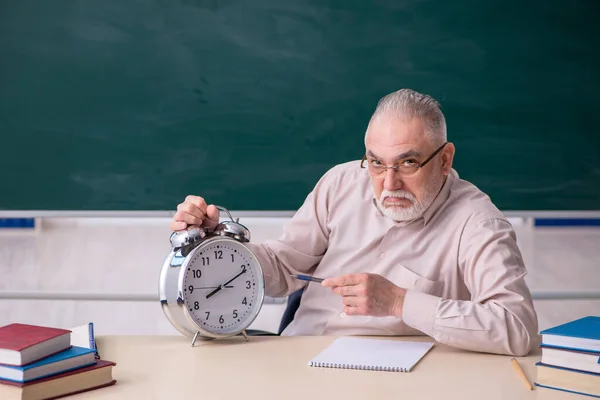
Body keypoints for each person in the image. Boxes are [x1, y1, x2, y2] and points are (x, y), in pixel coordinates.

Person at [170, 88, 538, 356]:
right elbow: (283, 271)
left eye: (408, 163)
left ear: (444, 160)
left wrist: (398, 302)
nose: (388, 183)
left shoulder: (478, 223)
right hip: (298, 358)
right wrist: (217, 246)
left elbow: (518, 329)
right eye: (376, 162)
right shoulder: (341, 182)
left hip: (397, 381)